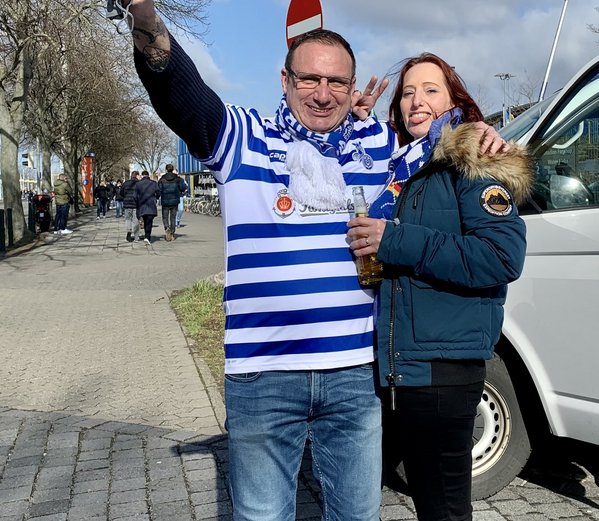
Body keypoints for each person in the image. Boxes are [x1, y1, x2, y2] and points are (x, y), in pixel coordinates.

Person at [122, 2, 505, 518]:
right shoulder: (244, 137)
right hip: (264, 375)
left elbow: (434, 136)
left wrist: (480, 134)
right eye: (310, 79)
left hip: (355, 375)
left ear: (351, 90)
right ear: (285, 80)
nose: (323, 94)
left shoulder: (374, 143)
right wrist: (150, 29)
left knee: (358, 514)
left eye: (337, 83)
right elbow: (185, 99)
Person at [346, 53, 532, 520]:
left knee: (444, 506)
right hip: (401, 363)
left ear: (455, 100)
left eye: (430, 90)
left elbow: (501, 257)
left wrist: (395, 239)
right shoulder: (404, 167)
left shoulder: (475, 159)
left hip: (444, 366)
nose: (415, 101)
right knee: (427, 499)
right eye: (407, 92)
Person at [158, 163, 187, 241]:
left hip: (165, 201)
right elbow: (183, 188)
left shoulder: (162, 179)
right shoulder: (178, 179)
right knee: (173, 217)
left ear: (166, 169)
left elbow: (159, 189)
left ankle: (167, 227)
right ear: (172, 169)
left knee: (165, 216)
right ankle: (172, 232)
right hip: (174, 201)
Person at [134, 170, 159, 245]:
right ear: (148, 176)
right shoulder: (154, 183)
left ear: (142, 176)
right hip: (151, 204)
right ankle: (147, 236)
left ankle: (147, 236)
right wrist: (156, 199)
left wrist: (137, 202)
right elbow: (158, 193)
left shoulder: (138, 184)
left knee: (145, 220)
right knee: (149, 221)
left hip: (142, 204)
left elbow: (134, 196)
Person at [120, 171, 141, 242]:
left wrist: (125, 197)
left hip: (127, 204)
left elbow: (121, 193)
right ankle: (136, 237)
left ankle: (129, 231)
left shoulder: (125, 183)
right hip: (136, 204)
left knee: (128, 219)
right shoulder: (139, 184)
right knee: (136, 220)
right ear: (137, 175)